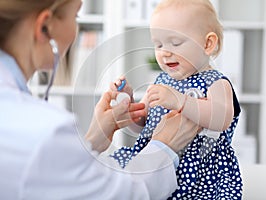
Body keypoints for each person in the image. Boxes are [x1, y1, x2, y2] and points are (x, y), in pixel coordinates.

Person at [0, 0, 200, 199]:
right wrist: (164, 145)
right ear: (45, 27)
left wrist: (93, 139)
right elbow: (123, 195)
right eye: (75, 16)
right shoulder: (45, 134)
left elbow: (52, 175)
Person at [111, 0, 243, 199]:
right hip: (159, 164)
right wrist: (129, 107)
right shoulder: (161, 81)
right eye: (159, 44)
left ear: (208, 44)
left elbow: (221, 119)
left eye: (175, 42)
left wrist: (180, 101)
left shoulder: (215, 82)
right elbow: (143, 127)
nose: (165, 52)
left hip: (202, 172)